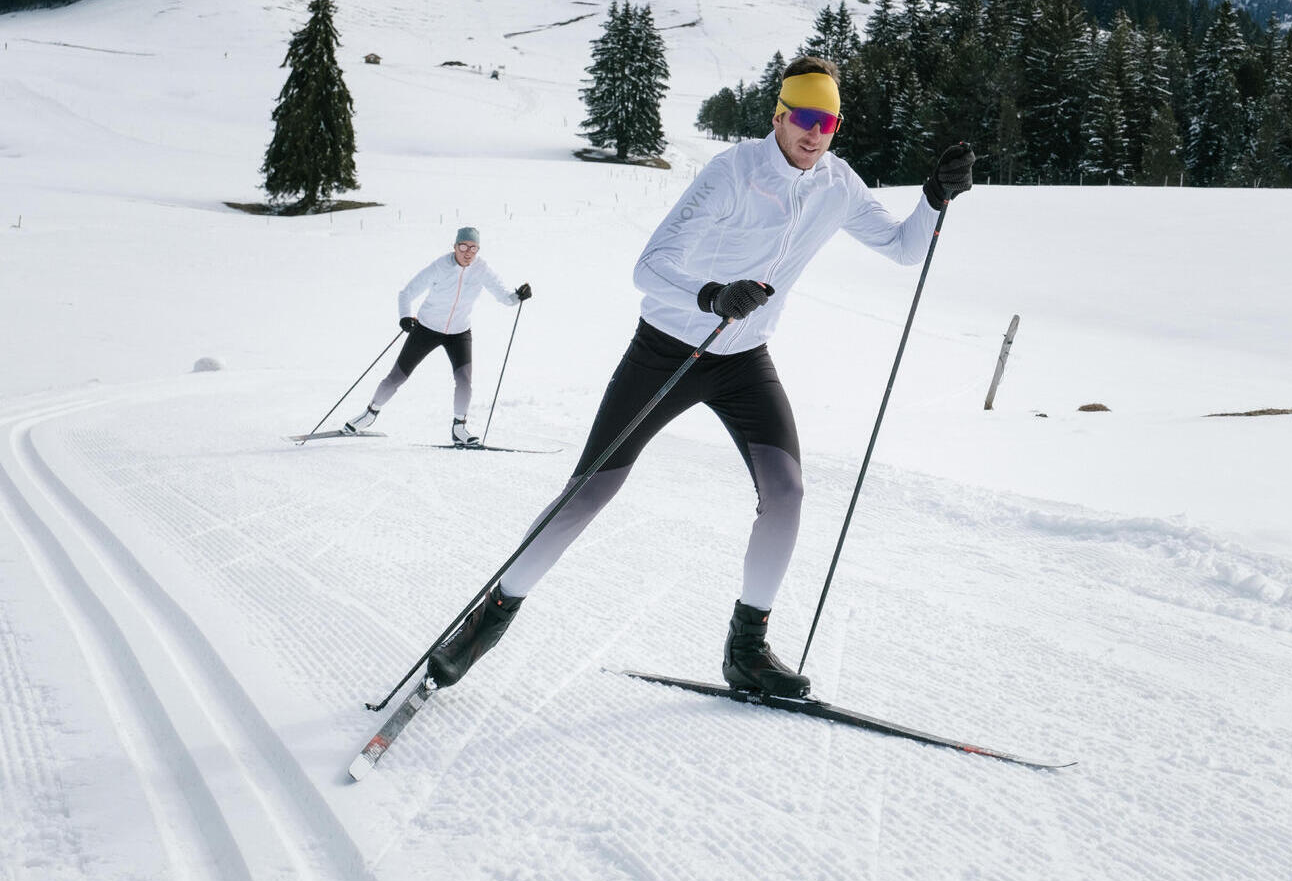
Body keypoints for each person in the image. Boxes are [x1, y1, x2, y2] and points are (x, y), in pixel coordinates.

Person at [425, 56, 973, 694]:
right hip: (669, 349)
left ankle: (748, 650)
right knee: (590, 492)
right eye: (802, 116)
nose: (814, 132)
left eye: (827, 121)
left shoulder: (838, 185)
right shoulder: (733, 173)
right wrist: (711, 294)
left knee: (788, 494)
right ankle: (488, 620)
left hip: (745, 362)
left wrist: (934, 199)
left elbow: (905, 249)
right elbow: (649, 266)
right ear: (778, 116)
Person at [345, 227, 531, 446]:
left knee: (464, 381)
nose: (468, 252)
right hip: (426, 329)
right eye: (463, 246)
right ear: (455, 247)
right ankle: (369, 414)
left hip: (459, 333)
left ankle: (459, 428)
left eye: (473, 248)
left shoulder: (482, 270)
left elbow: (505, 297)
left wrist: (518, 296)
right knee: (397, 377)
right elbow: (407, 292)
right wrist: (405, 317)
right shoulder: (440, 266)